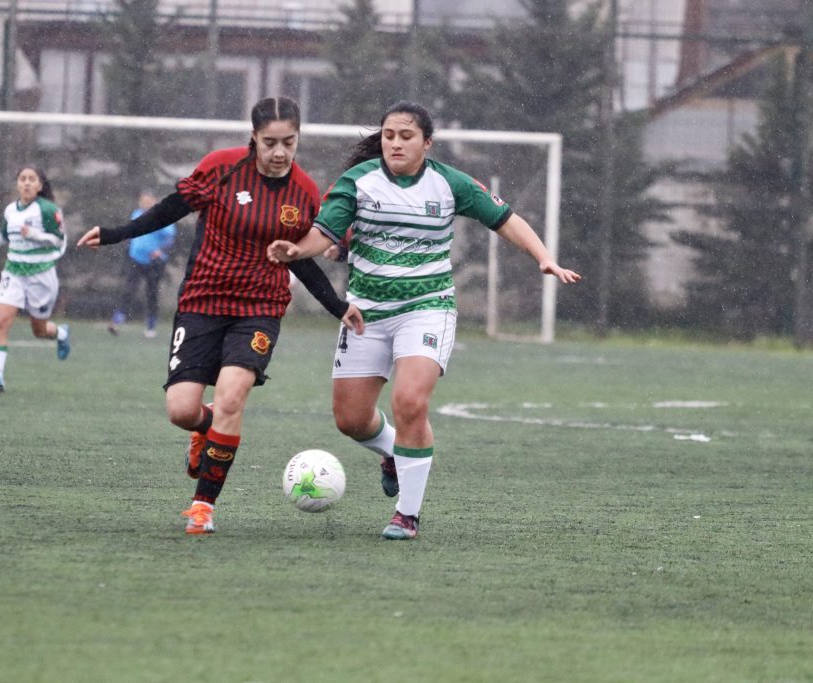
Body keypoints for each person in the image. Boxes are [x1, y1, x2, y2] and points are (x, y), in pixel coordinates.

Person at [267, 101, 581, 540]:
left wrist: (544, 257)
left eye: (406, 136)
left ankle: (406, 515)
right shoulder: (357, 183)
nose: (395, 143)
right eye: (389, 135)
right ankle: (392, 451)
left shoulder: (449, 184)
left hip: (426, 308)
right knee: (351, 419)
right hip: (366, 313)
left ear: (427, 143)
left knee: (410, 400)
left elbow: (506, 219)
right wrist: (297, 251)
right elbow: (325, 234)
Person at [78, 96, 364, 535]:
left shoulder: (305, 192)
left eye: (289, 141)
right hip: (203, 300)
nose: (279, 152)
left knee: (232, 397)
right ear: (253, 137)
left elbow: (300, 259)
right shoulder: (221, 168)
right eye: (270, 142)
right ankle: (203, 429)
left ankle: (202, 506)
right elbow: (172, 207)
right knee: (181, 409)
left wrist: (338, 306)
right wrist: (118, 234)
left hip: (259, 309)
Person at [0, 165, 71, 393]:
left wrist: (35, 235)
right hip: (14, 272)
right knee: (1, 321)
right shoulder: (11, 210)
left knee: (38, 330)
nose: (27, 183)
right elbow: (4, 235)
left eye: (32, 179)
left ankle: (61, 333)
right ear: (17, 184)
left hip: (41, 275)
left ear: (40, 186)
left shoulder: (48, 210)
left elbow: (59, 240)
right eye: (22, 179)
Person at [109, 189, 178, 338]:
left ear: (154, 201)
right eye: (143, 201)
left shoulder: (162, 216)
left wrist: (160, 250)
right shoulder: (136, 214)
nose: (145, 204)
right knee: (128, 290)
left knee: (151, 293)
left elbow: (170, 238)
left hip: (154, 262)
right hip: (136, 259)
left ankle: (151, 325)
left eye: (148, 201)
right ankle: (117, 320)